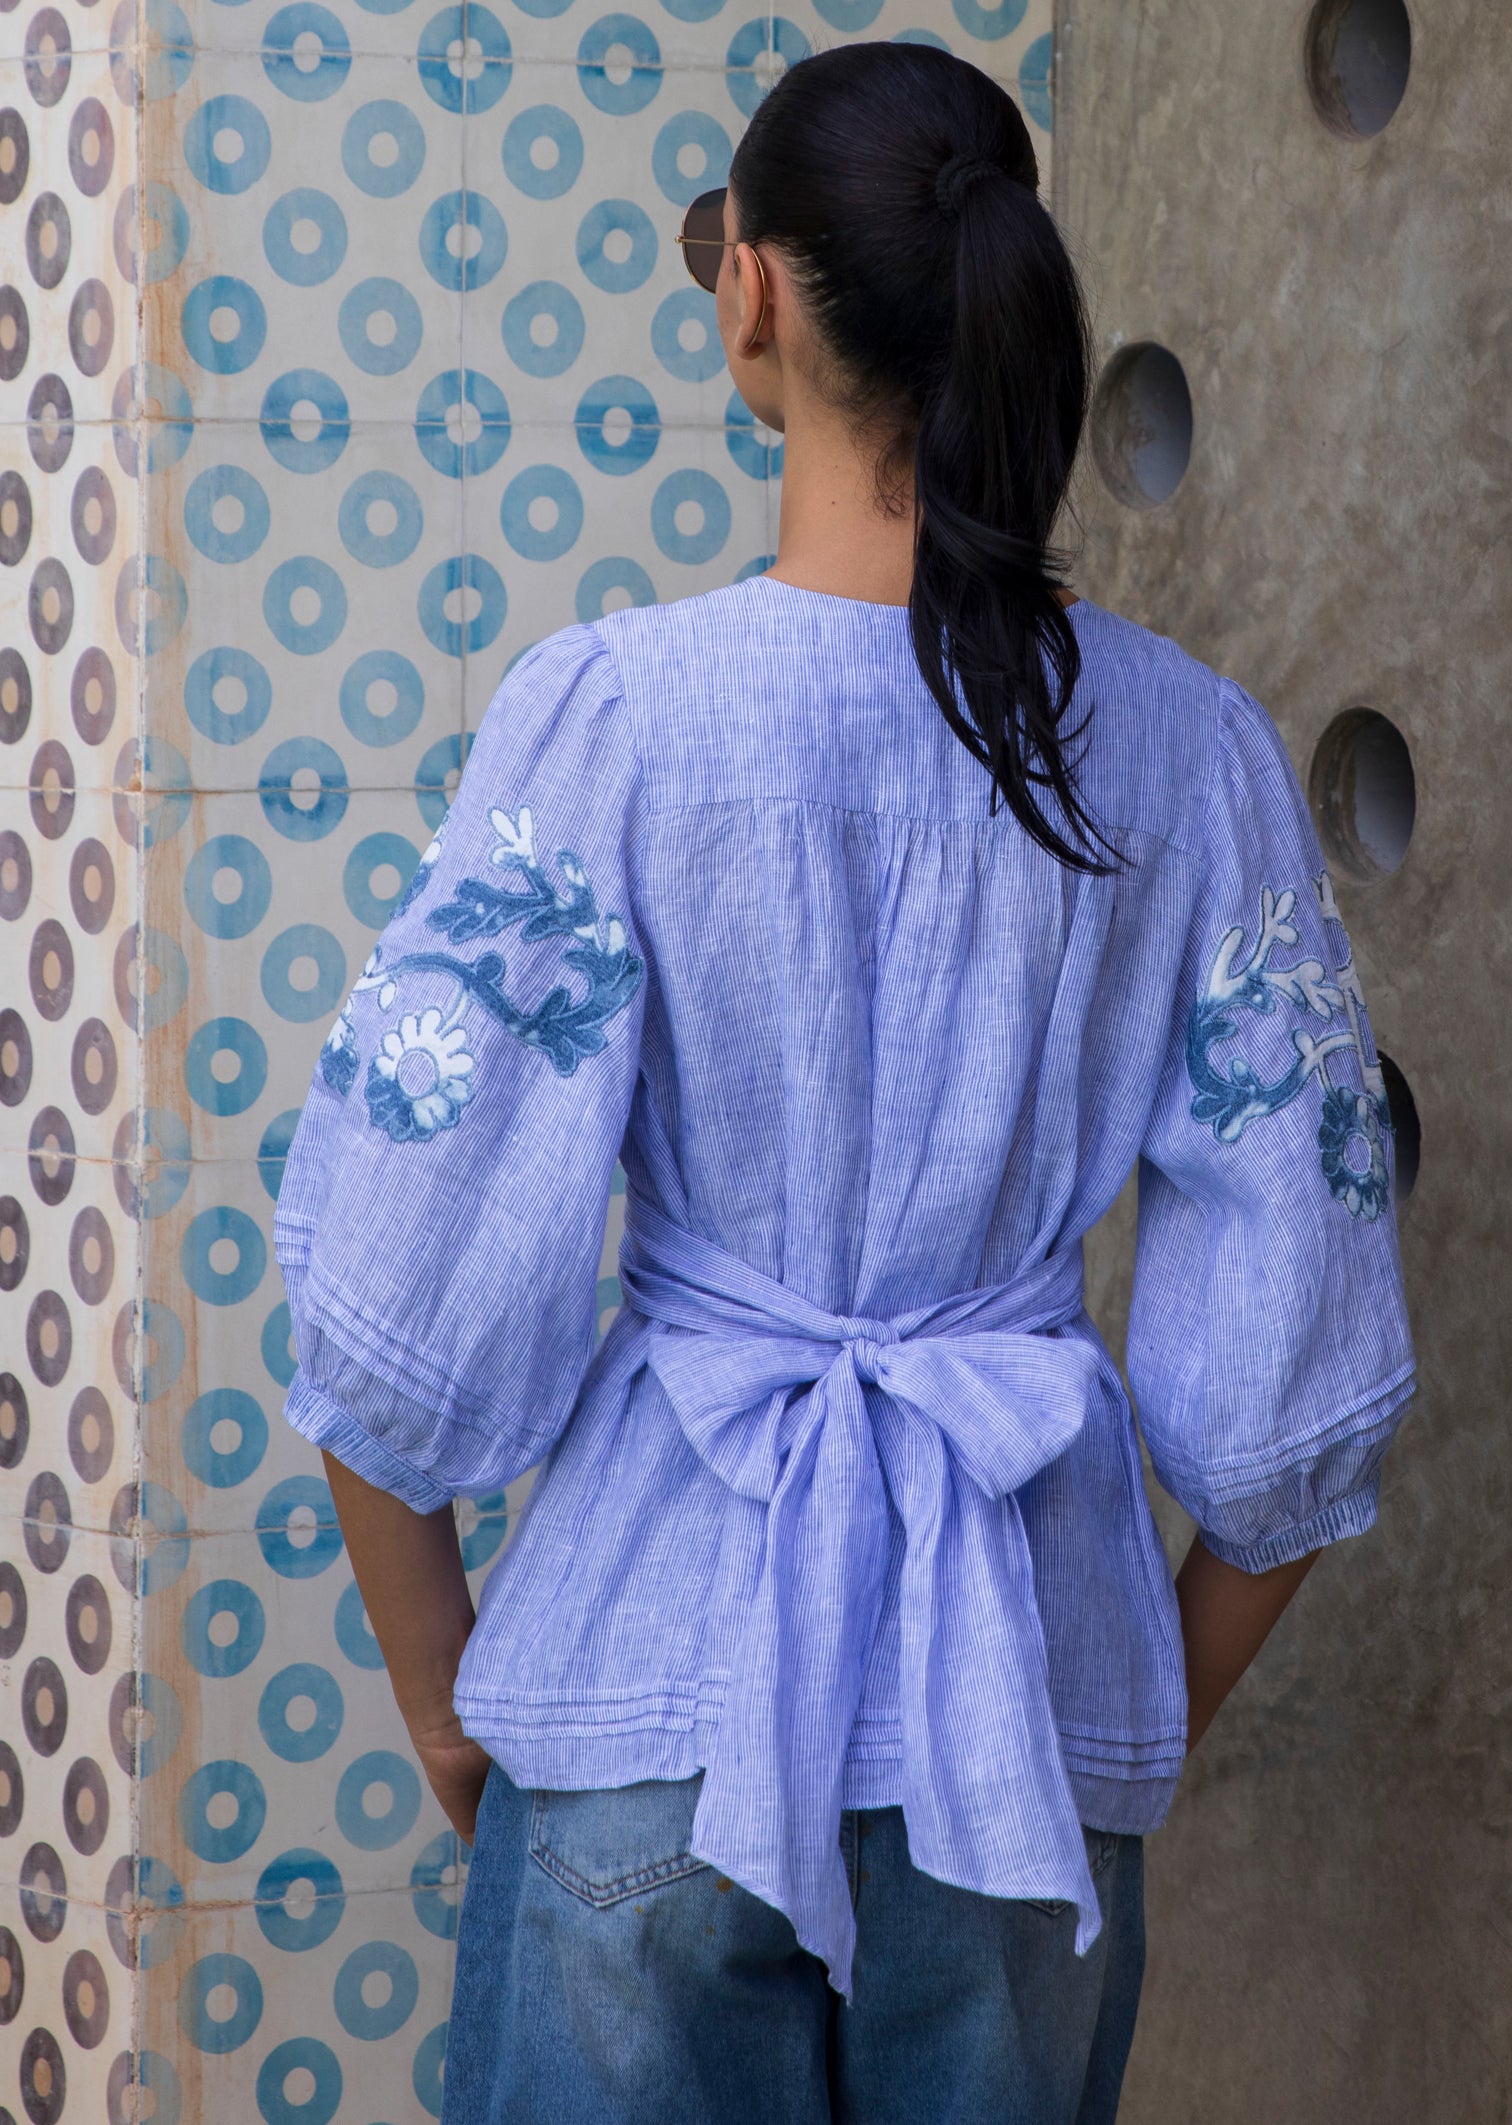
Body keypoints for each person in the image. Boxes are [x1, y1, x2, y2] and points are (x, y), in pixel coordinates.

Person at [274, 38, 1415, 2125]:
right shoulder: (1188, 754)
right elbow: (1300, 1366)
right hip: (1024, 1741)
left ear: (752, 295)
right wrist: (1126, 1711)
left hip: (648, 1685)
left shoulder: (617, 716)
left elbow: (397, 1272)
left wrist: (444, 1700)